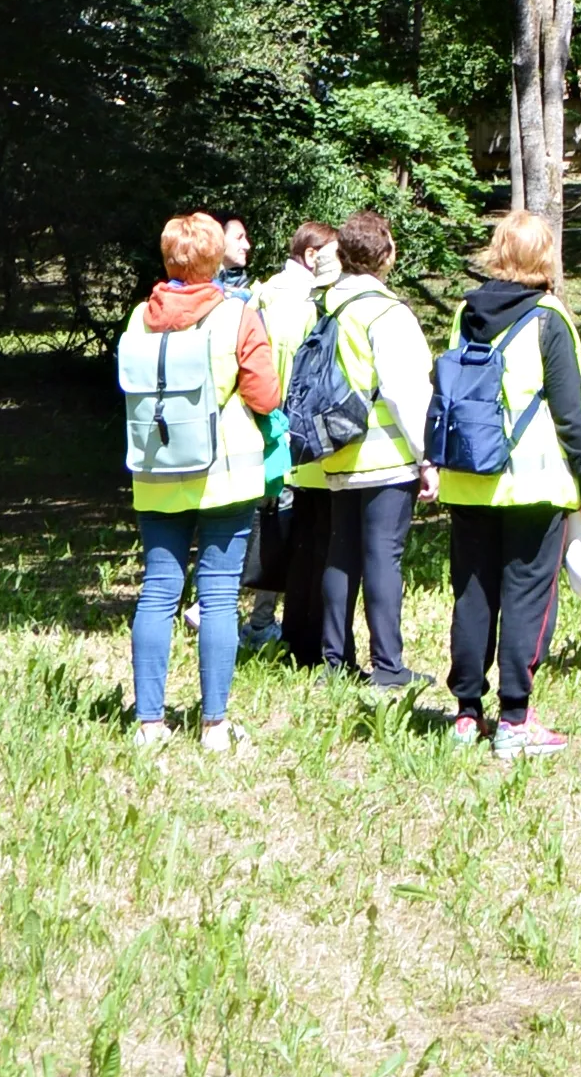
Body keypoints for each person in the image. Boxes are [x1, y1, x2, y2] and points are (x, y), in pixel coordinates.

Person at [437, 207, 581, 762]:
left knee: (473, 595)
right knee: (527, 599)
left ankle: (467, 713)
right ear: (546, 258)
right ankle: (515, 718)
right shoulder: (548, 317)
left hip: (468, 479)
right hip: (533, 484)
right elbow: (569, 414)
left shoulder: (465, 310)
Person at [117, 207, 283, 751]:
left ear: (169, 257)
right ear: (215, 258)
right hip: (225, 473)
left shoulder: (141, 316)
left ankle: (149, 723)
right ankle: (213, 725)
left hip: (156, 470)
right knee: (216, 596)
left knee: (158, 592)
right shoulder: (237, 316)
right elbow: (265, 395)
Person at [296, 208, 434, 695]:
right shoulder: (387, 312)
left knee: (341, 555)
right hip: (384, 454)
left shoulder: (327, 305)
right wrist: (426, 456)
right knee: (382, 559)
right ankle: (388, 665)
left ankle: (335, 660)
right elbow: (404, 392)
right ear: (386, 255)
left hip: (337, 450)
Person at [247, 224, 338, 663]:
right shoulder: (306, 302)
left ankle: (252, 617)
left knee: (270, 520)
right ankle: (257, 620)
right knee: (281, 529)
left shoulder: (261, 293)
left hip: (261, 422)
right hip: (291, 428)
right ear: (309, 255)